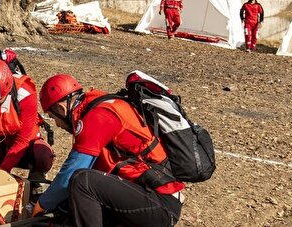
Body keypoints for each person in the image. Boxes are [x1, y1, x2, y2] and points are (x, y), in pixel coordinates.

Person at [31, 74, 184, 226]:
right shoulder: (97, 107)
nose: (57, 124)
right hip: (146, 195)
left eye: (53, 116)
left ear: (61, 108)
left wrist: (43, 204)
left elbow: (74, 170)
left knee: (83, 181)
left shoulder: (98, 116)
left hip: (160, 203)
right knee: (72, 203)